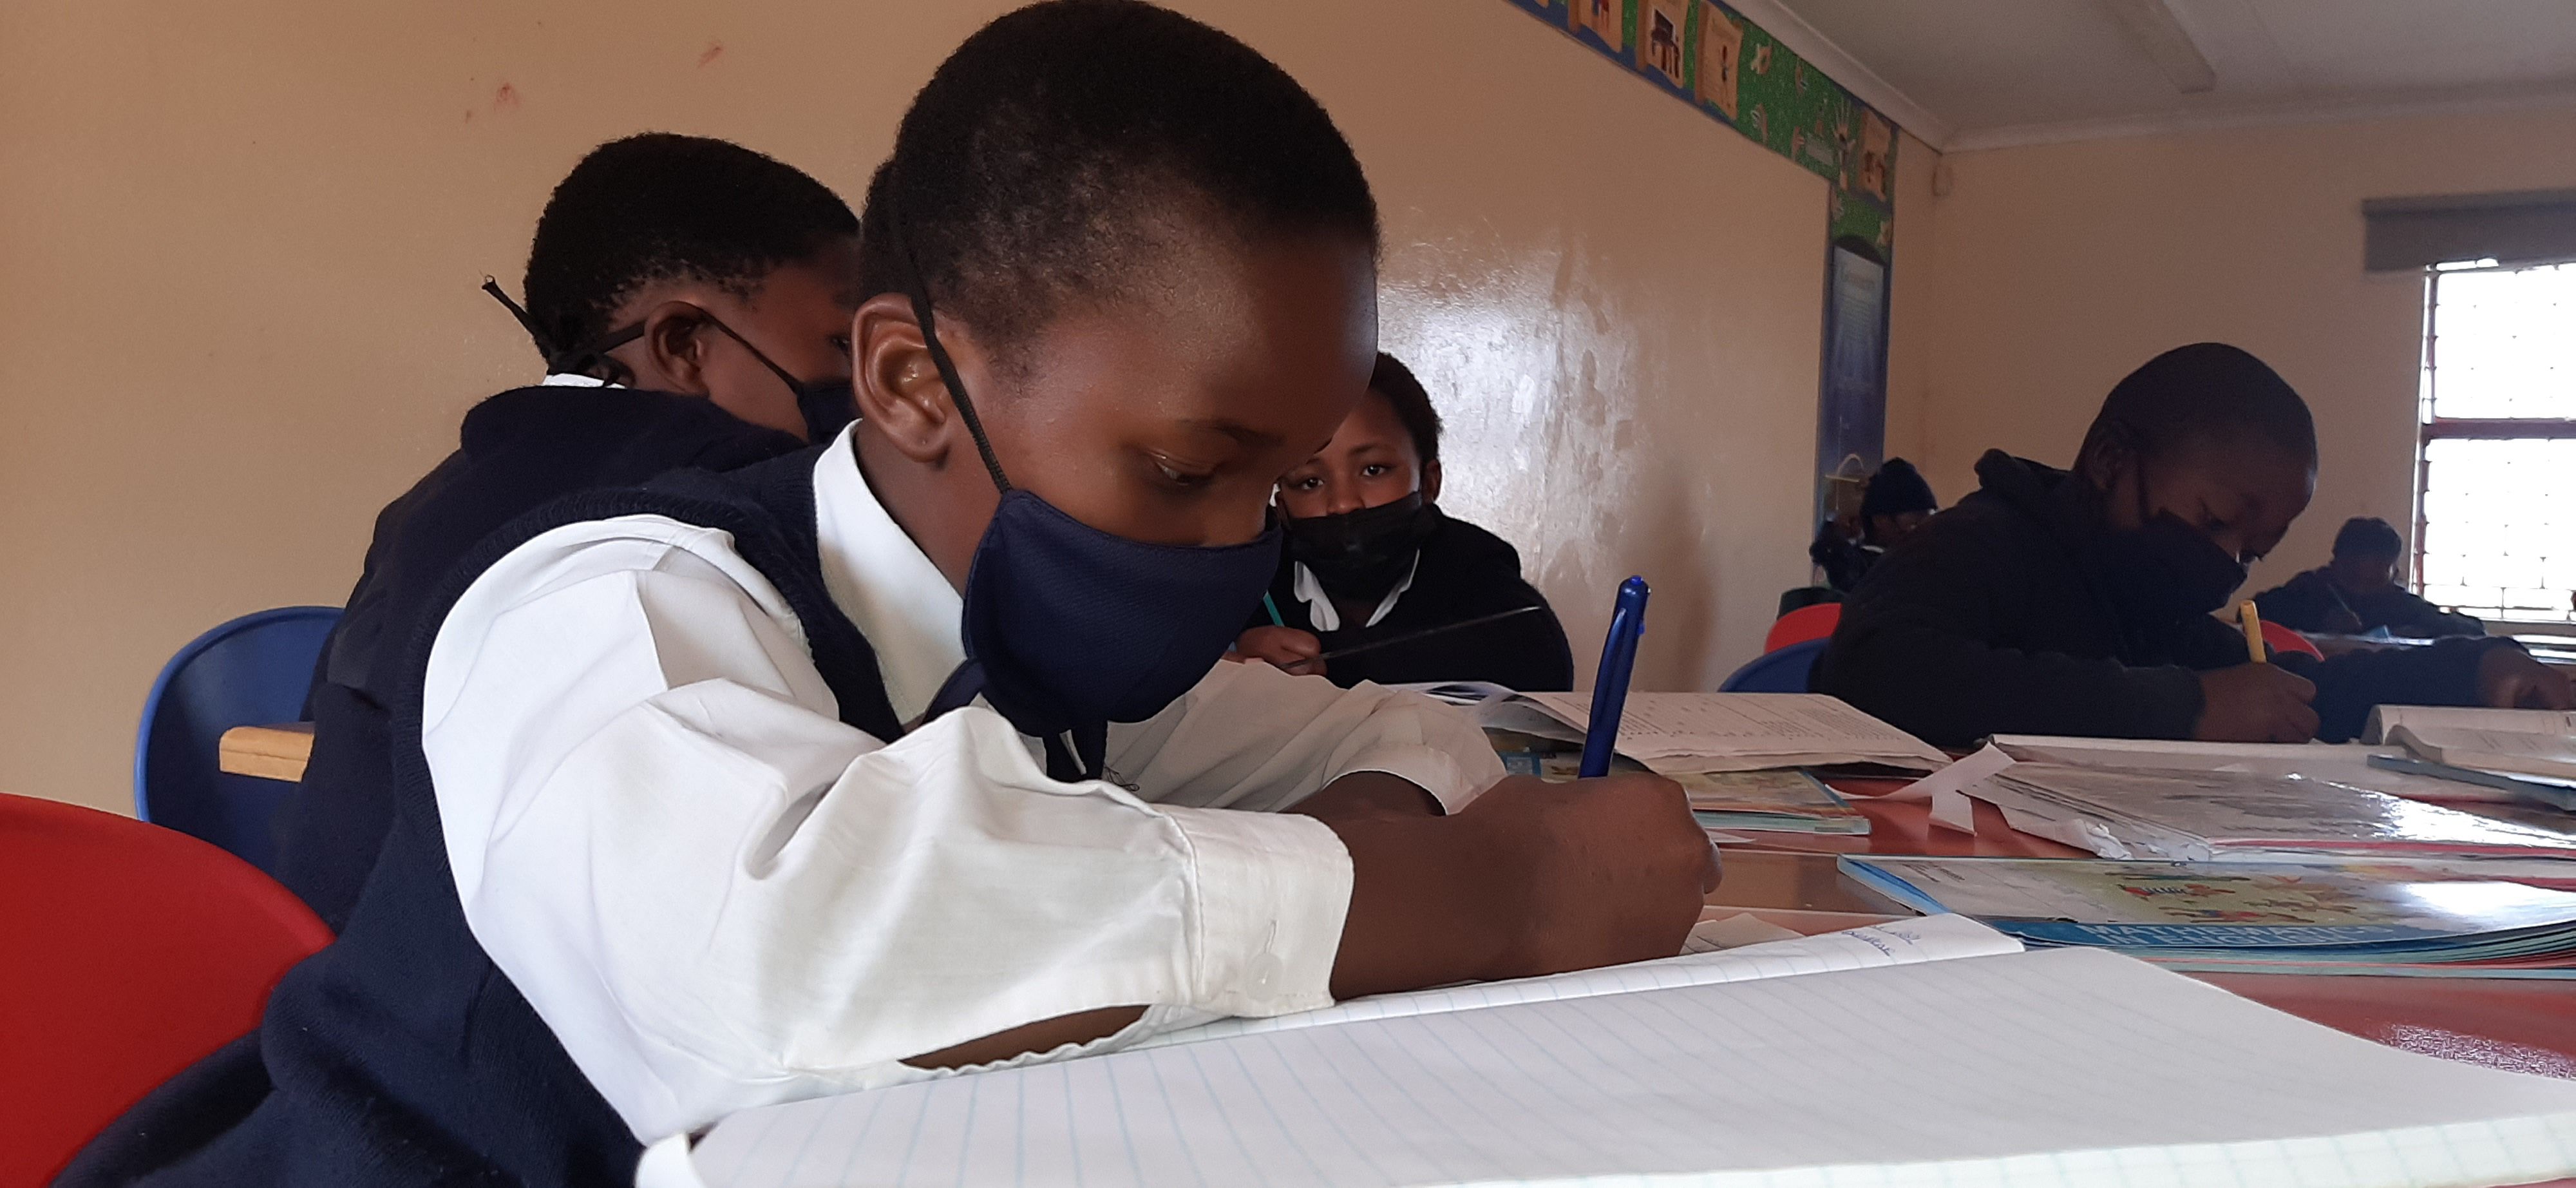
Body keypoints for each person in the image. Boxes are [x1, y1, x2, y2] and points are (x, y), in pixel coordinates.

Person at [63, 5, 1716, 1184]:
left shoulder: (1039, 643)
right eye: (1182, 468)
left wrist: (1365, 834)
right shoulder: (609, 598)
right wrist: (1466, 898)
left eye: (1270, 486)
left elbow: (1399, 734)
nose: (1233, 546)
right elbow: (771, 948)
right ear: (914, 381)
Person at [265, 133, 865, 932]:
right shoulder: (737, 494)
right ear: (685, 346)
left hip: (332, 963)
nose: (868, 378)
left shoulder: (429, 500)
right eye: (841, 342)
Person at [1811, 343, 2570, 747]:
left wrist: (2474, 668)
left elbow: (2301, 693)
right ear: (2111, 460)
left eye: (2253, 551)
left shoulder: (2152, 605)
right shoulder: (1978, 541)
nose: (2224, 564)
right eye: (2214, 521)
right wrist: (2185, 706)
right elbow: (1873, 674)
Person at [1231, 352, 1575, 690]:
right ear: (1282, 506)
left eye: (1373, 470)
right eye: (1309, 482)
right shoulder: (1250, 580)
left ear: (1428, 483)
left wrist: (1331, 663)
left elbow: (1541, 657)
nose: (1344, 504)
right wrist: (1237, 657)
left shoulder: (1469, 561)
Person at [2253, 516, 2485, 638]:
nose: (2362, 588)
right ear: (2335, 564)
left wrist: (2408, 635)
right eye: (2352, 576)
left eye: (2375, 578)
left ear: (2393, 573)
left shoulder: (2399, 603)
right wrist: (2318, 622)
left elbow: (2473, 630)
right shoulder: (2312, 588)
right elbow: (2252, 615)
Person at [1809, 457, 1937, 593]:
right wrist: (1835, 536)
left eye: (1930, 520)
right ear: (1880, 520)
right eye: (1915, 522)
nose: (1924, 531)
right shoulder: (1869, 570)